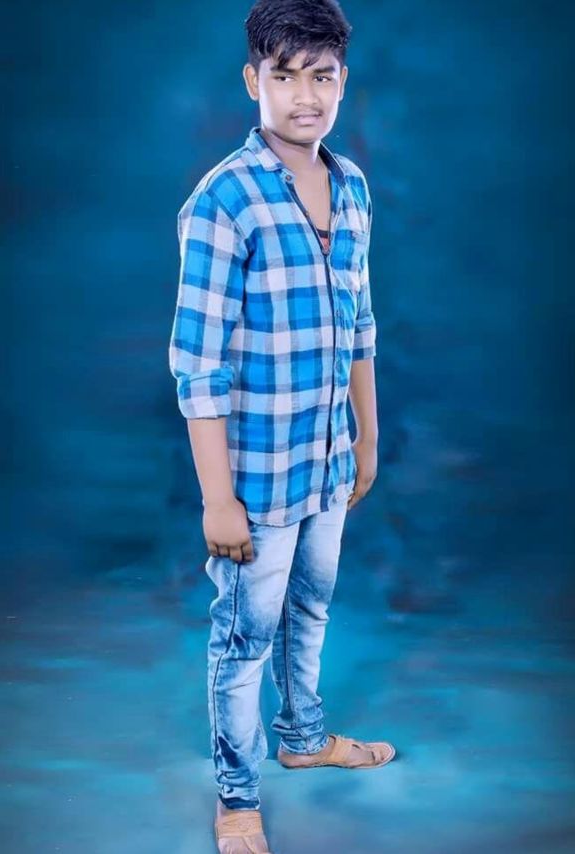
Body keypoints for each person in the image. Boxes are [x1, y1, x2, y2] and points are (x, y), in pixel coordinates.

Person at [168, 1, 395, 850]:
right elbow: (198, 364)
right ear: (252, 80)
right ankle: (236, 796)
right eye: (285, 74)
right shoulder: (225, 198)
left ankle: (303, 738)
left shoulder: (353, 187)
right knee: (245, 637)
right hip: (256, 477)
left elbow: (360, 325)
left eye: (322, 76)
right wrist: (216, 498)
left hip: (327, 459)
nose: (306, 95)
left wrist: (367, 437)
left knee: (312, 608)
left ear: (343, 81)